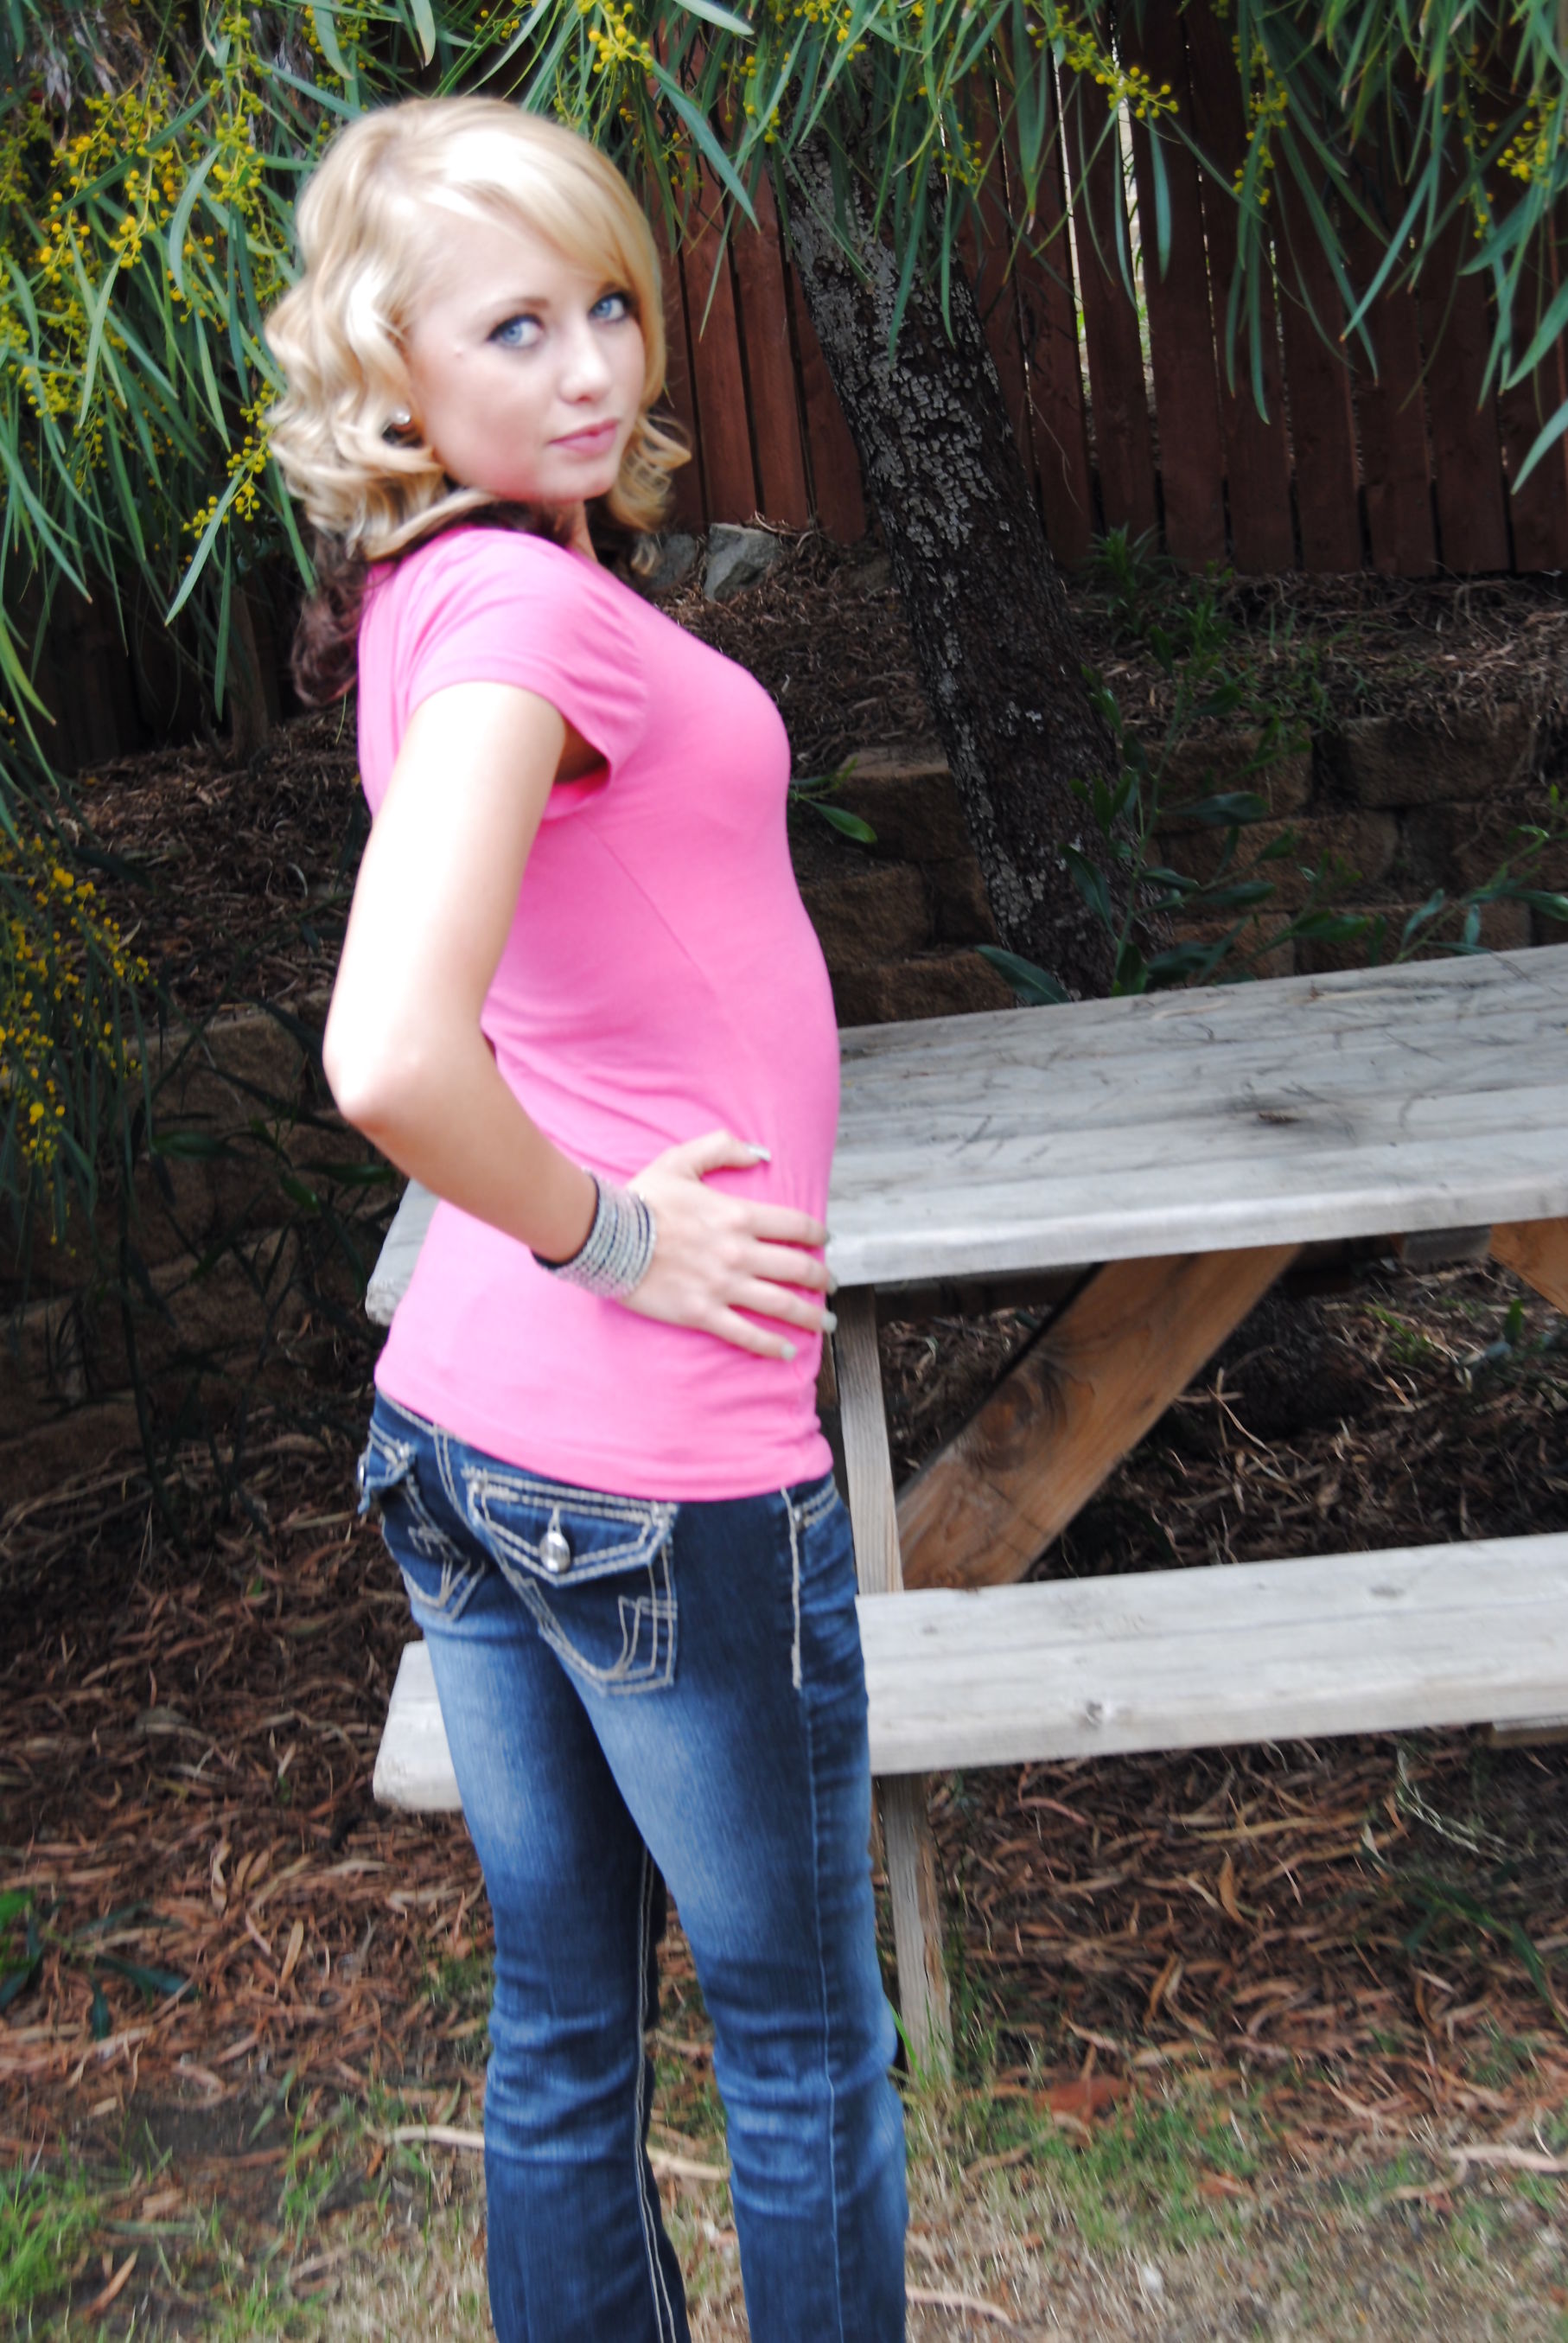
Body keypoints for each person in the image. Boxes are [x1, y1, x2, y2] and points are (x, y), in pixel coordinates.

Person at [264, 95, 908, 2343]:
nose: (593, 366)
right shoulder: (522, 612)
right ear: (390, 377)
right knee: (802, 2051)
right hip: (655, 1462)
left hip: (472, 1428)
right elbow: (389, 1051)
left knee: (564, 2031)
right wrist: (619, 1237)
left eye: (609, 303)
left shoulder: (436, 596)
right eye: (513, 327)